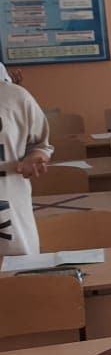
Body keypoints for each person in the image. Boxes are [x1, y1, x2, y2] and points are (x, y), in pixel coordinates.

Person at [0, 82, 52, 256]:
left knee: (18, 269)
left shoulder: (16, 96)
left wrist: (34, 158)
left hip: (11, 212)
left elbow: (40, 145)